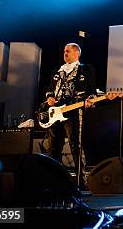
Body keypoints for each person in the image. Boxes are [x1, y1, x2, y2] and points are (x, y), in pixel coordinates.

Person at [40, 43, 96, 186]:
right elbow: (49, 89)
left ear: (77, 53)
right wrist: (49, 98)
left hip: (73, 110)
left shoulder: (85, 69)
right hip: (56, 112)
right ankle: (54, 181)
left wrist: (90, 99)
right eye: (64, 51)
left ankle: (80, 181)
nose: (65, 54)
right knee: (54, 147)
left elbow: (91, 90)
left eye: (68, 51)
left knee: (75, 145)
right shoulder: (58, 71)